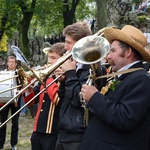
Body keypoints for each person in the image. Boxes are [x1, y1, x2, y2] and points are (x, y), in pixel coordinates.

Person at [80, 25, 150, 150]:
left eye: (113, 51)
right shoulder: (124, 76)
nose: (108, 57)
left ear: (128, 52)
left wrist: (94, 97)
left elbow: (125, 118)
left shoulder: (142, 79)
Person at [54, 22, 94, 150]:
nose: (65, 47)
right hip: (63, 132)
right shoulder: (74, 66)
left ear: (81, 44)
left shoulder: (92, 68)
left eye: (69, 43)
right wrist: (62, 82)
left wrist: (71, 74)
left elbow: (80, 100)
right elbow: (62, 98)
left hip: (78, 135)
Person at [23, 42, 66, 150]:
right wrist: (28, 88)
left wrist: (50, 79)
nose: (49, 61)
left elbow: (57, 100)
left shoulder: (64, 79)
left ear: (63, 59)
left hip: (52, 131)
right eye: (49, 57)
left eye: (53, 58)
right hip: (37, 130)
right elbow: (31, 102)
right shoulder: (47, 78)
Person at [0, 55, 21, 150]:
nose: (11, 63)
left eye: (13, 62)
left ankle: (13, 144)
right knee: (2, 122)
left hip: (16, 101)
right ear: (7, 63)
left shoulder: (19, 73)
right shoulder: (2, 74)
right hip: (4, 101)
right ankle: (0, 143)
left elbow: (23, 85)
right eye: (10, 61)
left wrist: (19, 92)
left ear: (16, 64)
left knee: (15, 123)